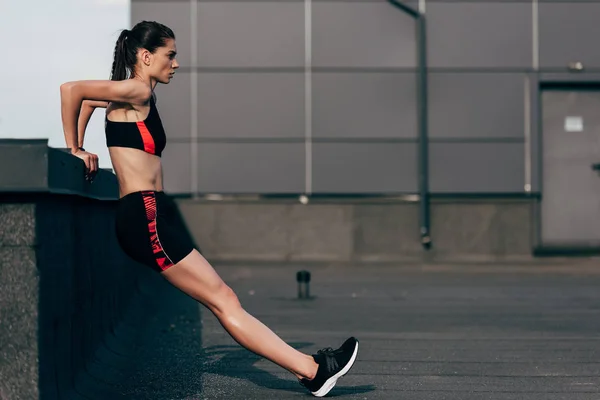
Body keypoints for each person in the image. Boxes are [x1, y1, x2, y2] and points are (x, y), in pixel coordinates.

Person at [59, 20, 358, 397]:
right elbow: (72, 91)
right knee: (225, 300)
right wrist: (75, 148)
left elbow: (86, 101)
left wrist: (83, 142)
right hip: (144, 217)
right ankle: (314, 371)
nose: (176, 64)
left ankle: (311, 369)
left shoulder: (131, 94)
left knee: (223, 300)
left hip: (147, 216)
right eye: (171, 55)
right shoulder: (135, 90)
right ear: (146, 56)